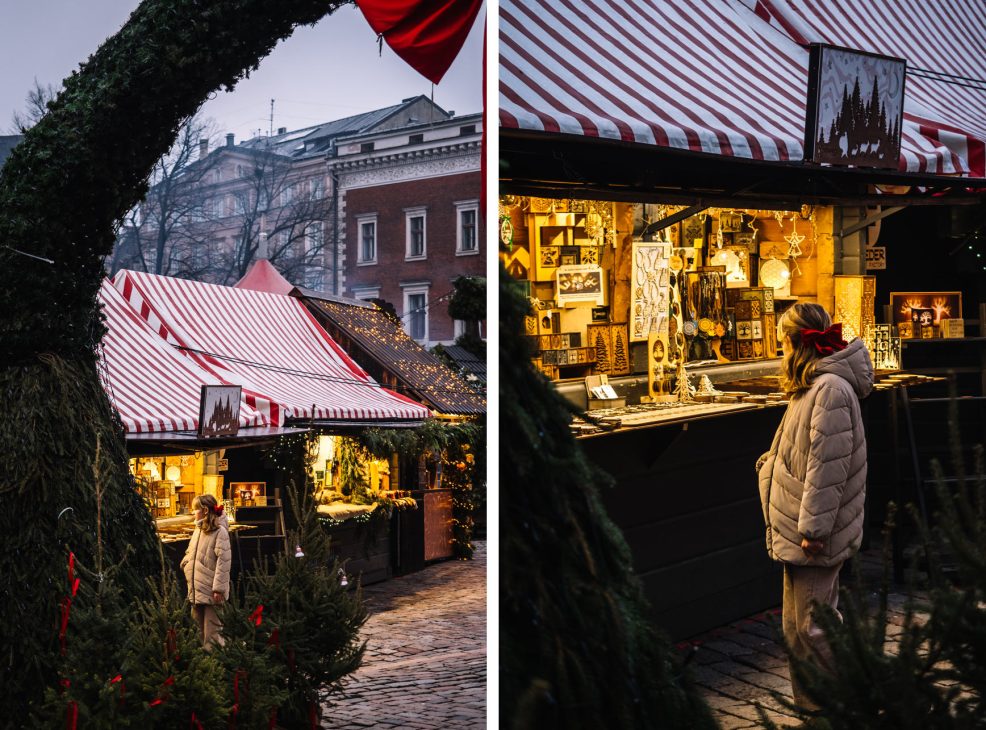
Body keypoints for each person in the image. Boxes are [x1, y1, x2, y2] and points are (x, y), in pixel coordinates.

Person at [756, 302, 873, 708]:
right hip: (794, 521)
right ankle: (812, 706)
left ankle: (845, 702)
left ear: (796, 342)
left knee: (814, 626)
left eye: (783, 342)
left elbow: (828, 467)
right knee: (796, 627)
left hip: (813, 530)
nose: (780, 350)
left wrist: (814, 530)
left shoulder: (830, 390)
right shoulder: (810, 385)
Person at [181, 493, 231, 649]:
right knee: (197, 630)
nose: (193, 512)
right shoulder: (198, 530)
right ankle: (200, 659)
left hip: (211, 590)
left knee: (212, 632)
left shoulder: (219, 532)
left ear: (205, 511)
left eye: (195, 509)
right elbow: (191, 551)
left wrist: (218, 589)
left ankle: (214, 659)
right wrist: (186, 563)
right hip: (196, 588)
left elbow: (224, 562)